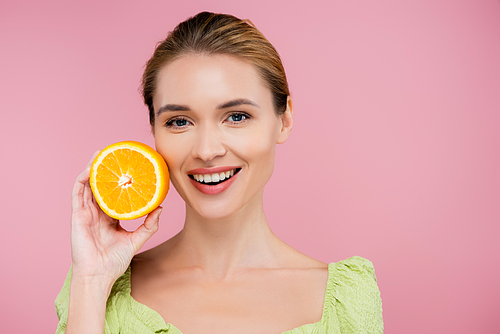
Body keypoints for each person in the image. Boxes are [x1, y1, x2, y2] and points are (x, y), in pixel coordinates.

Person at [55, 11, 383, 334]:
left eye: (236, 116)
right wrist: (92, 281)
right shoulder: (99, 288)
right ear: (154, 130)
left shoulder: (344, 302)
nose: (207, 150)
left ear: (284, 119)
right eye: (179, 121)